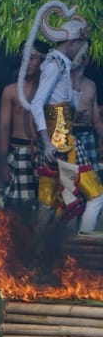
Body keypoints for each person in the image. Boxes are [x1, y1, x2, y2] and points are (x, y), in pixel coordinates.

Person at [18, 0, 101, 227]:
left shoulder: (63, 65)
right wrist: (47, 142)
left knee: (48, 203)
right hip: (59, 140)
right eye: (81, 44)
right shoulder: (55, 64)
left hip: (62, 137)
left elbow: (65, 104)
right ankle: (75, 247)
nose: (83, 50)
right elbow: (37, 104)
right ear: (72, 42)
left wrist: (78, 74)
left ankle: (42, 255)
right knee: (95, 195)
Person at [0, 47, 43, 212]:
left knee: (45, 204)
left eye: (32, 58)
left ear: (42, 61)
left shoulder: (50, 90)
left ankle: (43, 238)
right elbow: (4, 128)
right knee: (20, 207)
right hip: (19, 153)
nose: (27, 62)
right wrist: (3, 163)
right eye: (24, 58)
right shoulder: (11, 91)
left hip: (43, 153)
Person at [71, 51, 103, 235]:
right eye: (81, 53)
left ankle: (82, 237)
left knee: (93, 189)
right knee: (69, 191)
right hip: (68, 138)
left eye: (87, 54)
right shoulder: (61, 82)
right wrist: (73, 120)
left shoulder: (91, 85)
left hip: (88, 138)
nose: (84, 57)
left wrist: (101, 140)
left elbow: (96, 119)